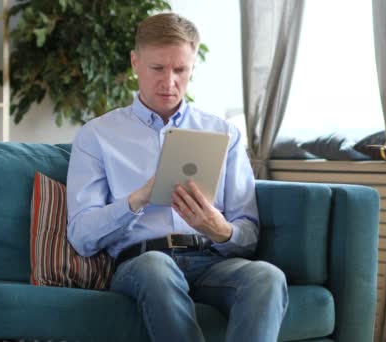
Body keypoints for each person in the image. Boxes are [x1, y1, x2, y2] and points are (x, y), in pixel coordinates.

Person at [67, 12, 288, 342]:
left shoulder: (224, 133)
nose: (169, 82)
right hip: (141, 263)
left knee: (267, 276)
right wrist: (138, 199)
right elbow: (82, 236)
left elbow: (248, 233)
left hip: (210, 261)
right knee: (156, 267)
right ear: (135, 63)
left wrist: (220, 230)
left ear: (193, 67)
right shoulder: (97, 135)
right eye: (157, 68)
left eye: (180, 70)